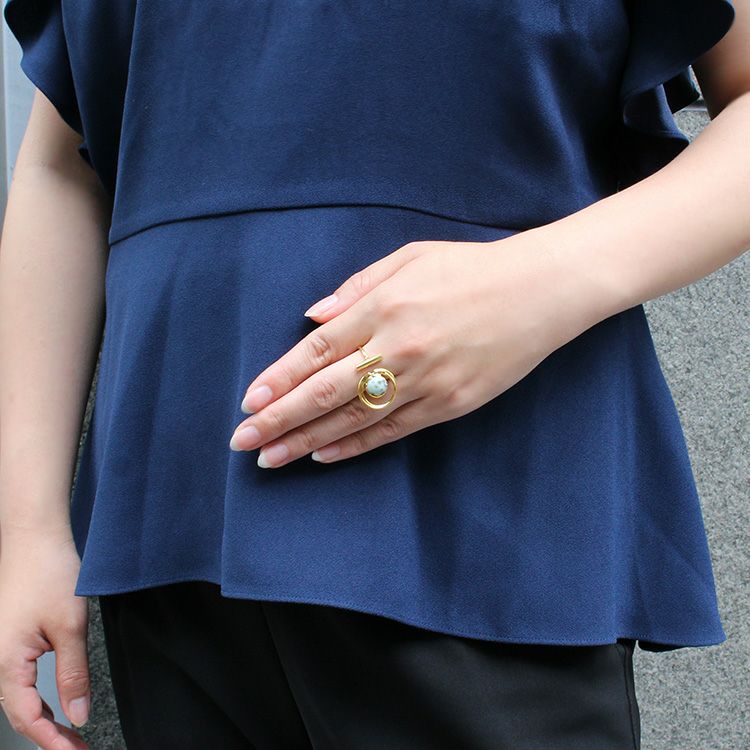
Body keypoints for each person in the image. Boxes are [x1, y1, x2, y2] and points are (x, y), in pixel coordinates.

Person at [0, 0, 747, 748]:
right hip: (172, 524)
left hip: (482, 503)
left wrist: (541, 280)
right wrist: (25, 525)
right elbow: (62, 165)